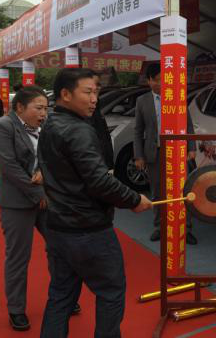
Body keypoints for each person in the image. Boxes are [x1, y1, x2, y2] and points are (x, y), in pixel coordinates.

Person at [38, 68, 152, 338]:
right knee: (111, 292)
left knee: (60, 295)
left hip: (58, 226)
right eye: (87, 92)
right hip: (88, 229)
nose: (94, 99)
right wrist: (135, 199)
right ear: (65, 94)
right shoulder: (78, 130)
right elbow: (99, 181)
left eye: (96, 92)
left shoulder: (51, 123)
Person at [0, 86, 48, 331]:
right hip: (17, 202)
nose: (43, 113)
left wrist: (44, 172)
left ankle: (63, 296)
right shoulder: (3, 126)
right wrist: (37, 193)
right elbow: (9, 167)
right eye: (39, 108)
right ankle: (16, 309)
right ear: (20, 107)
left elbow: (51, 156)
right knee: (18, 257)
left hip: (46, 199)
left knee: (60, 247)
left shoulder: (44, 126)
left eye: (46, 108)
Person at [133, 63, 197, 243]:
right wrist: (139, 155)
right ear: (149, 81)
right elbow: (138, 131)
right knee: (157, 191)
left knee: (183, 190)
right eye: (157, 80)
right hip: (155, 153)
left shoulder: (177, 97)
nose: (161, 83)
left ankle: (186, 228)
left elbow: (188, 124)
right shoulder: (142, 101)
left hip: (177, 152)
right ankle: (159, 226)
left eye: (164, 79)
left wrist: (192, 147)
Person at [88, 72, 114, 171]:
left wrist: (109, 164)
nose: (97, 87)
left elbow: (104, 137)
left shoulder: (96, 107)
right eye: (94, 84)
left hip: (103, 164)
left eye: (98, 84)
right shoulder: (83, 110)